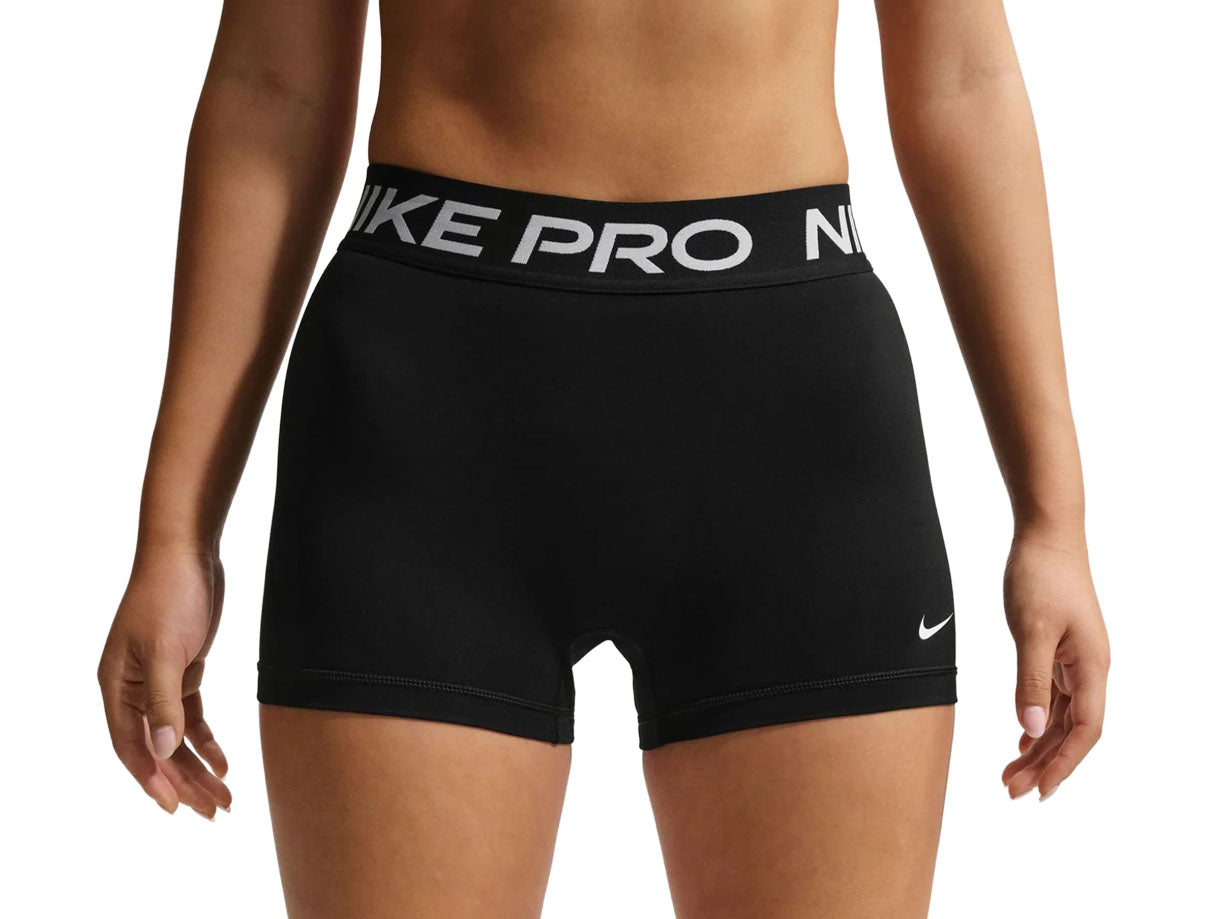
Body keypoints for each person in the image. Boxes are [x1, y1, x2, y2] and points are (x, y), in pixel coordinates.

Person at [97, 1, 1110, 916]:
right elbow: (273, 85)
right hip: (426, 414)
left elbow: (964, 80)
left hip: (793, 425)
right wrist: (177, 532)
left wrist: (1052, 519)